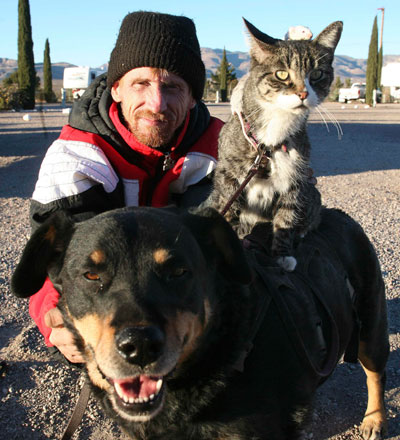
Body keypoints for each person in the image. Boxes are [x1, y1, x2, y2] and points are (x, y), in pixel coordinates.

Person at [29, 11, 224, 364]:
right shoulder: (75, 157)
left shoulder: (221, 149)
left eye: (173, 87)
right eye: (141, 84)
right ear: (116, 87)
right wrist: (50, 315)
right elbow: (61, 260)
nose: (157, 103)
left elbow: (226, 252)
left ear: (194, 97)